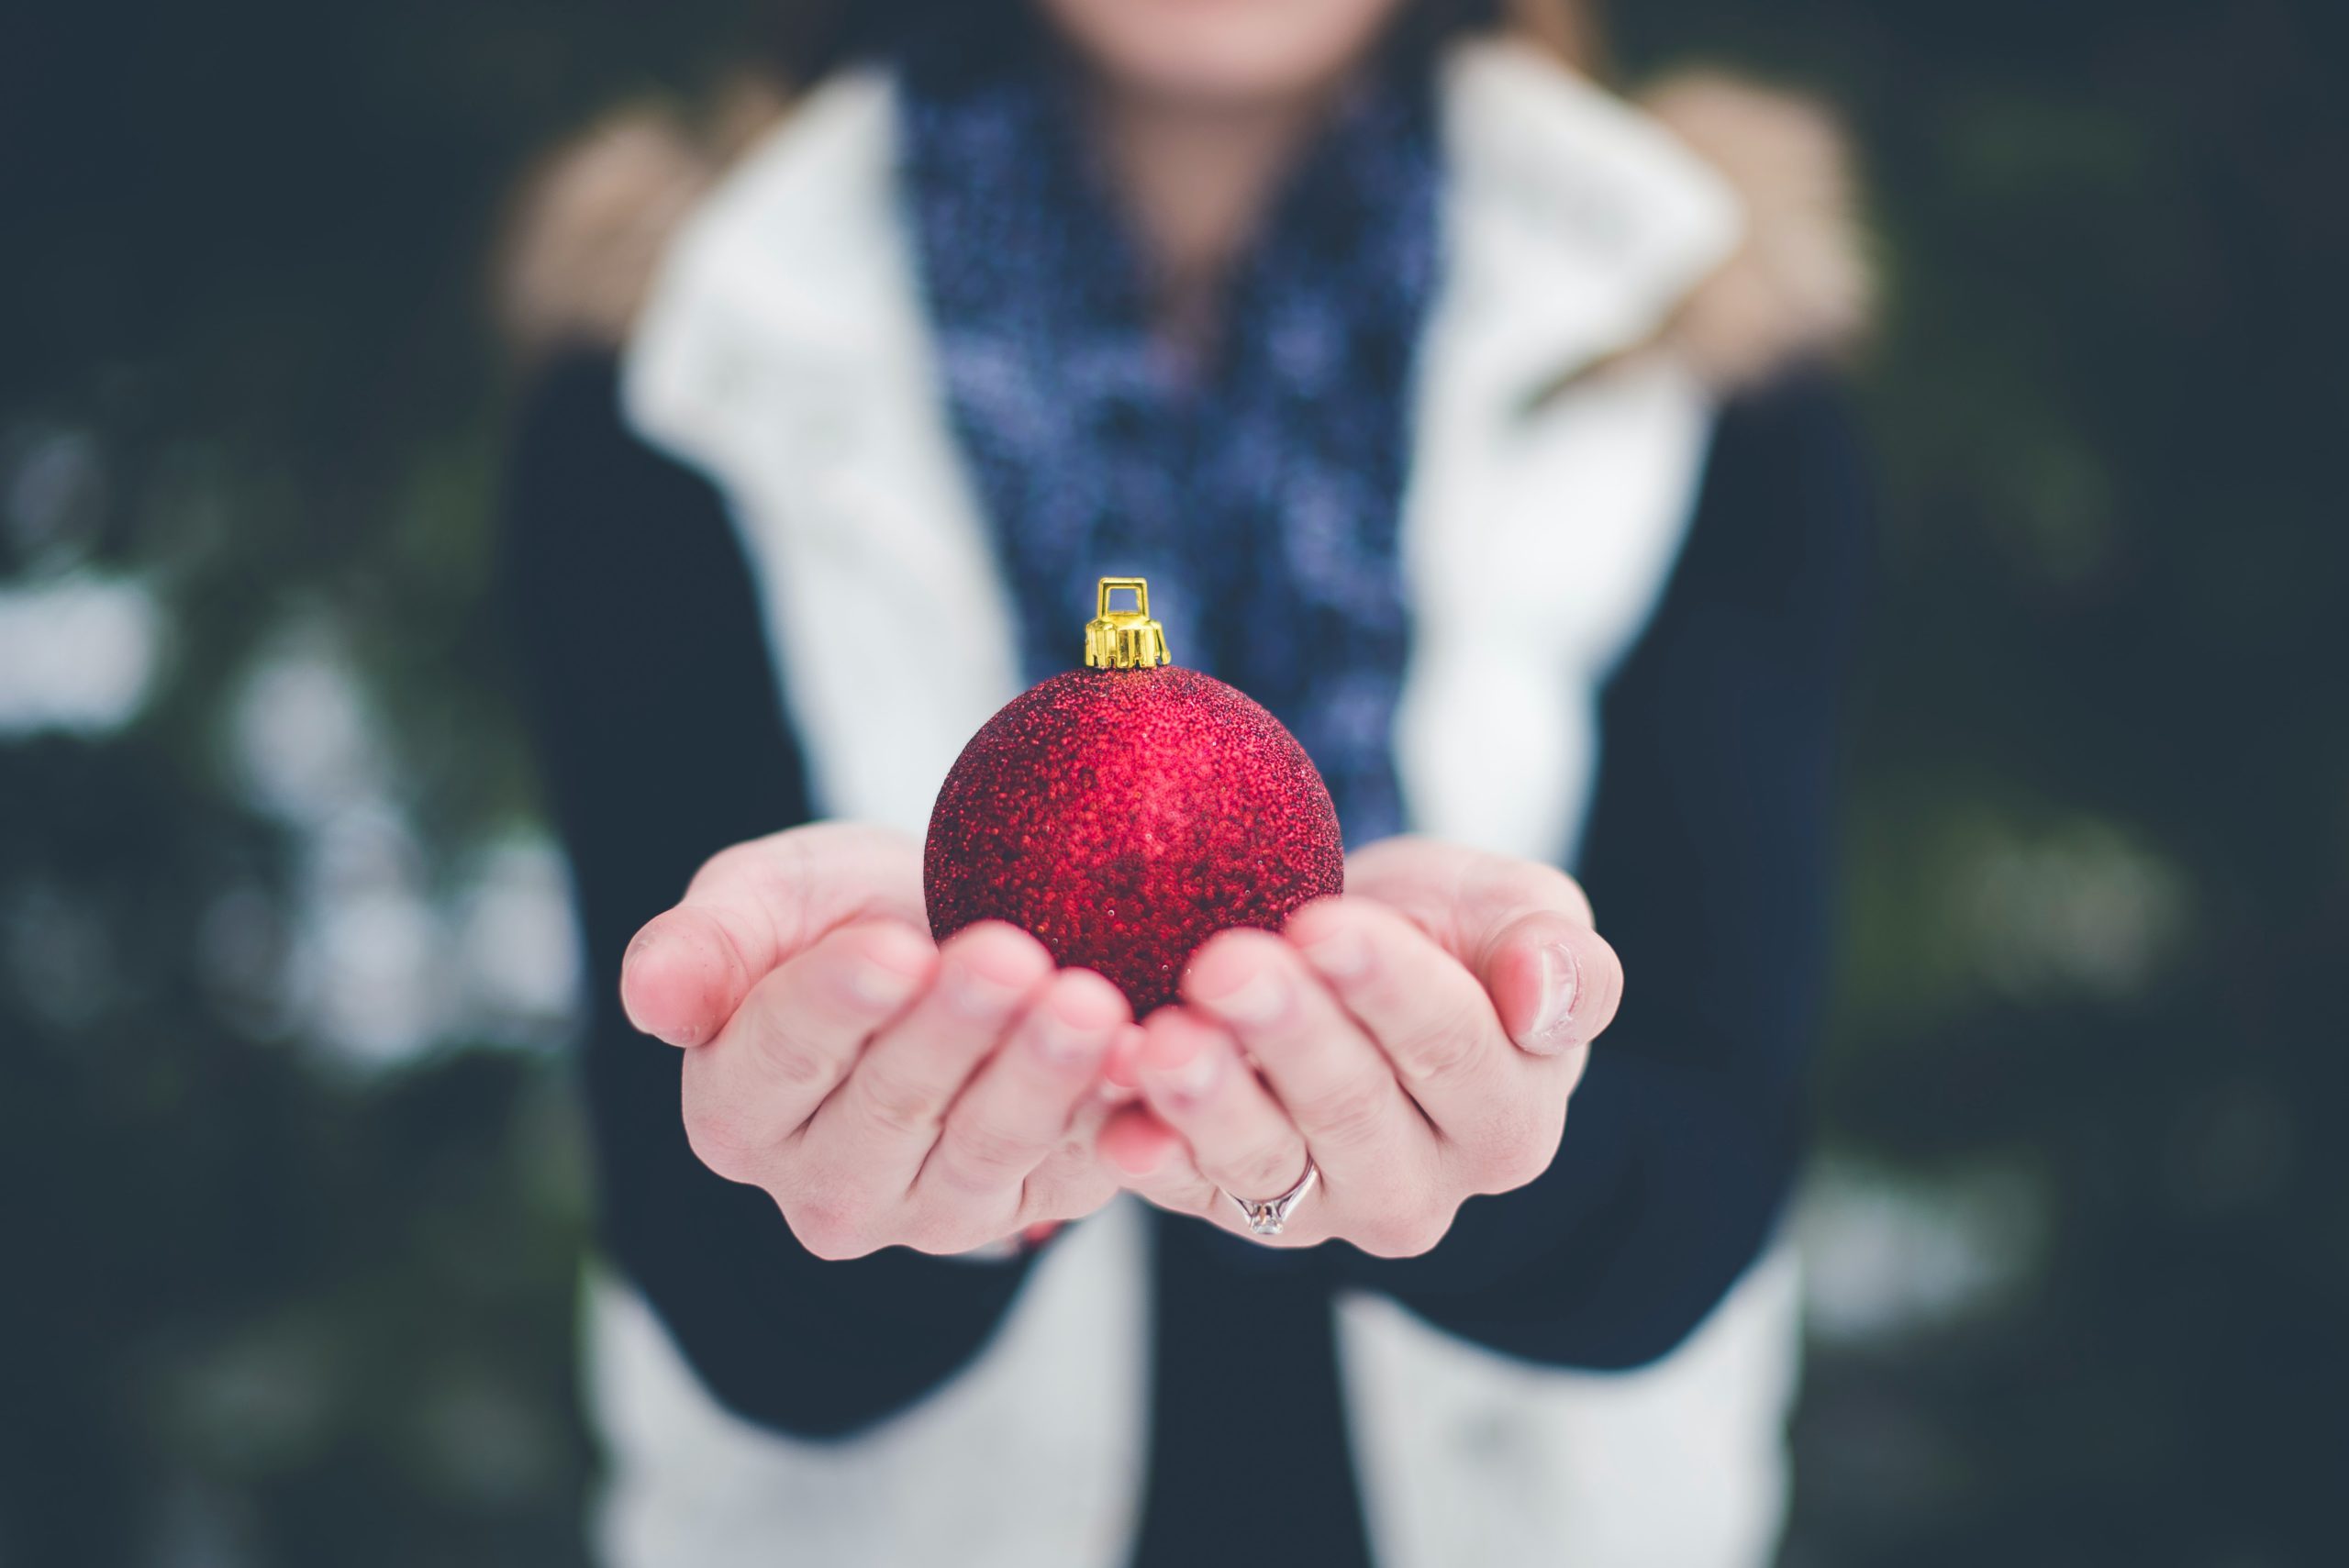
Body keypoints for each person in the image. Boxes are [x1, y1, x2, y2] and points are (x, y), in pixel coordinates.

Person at [495, 1, 1872, 1562]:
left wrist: (1479, 1138)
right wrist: (915, 1155)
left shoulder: (1698, 317)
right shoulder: (682, 338)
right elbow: (728, 1286)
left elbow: (1710, 1150)